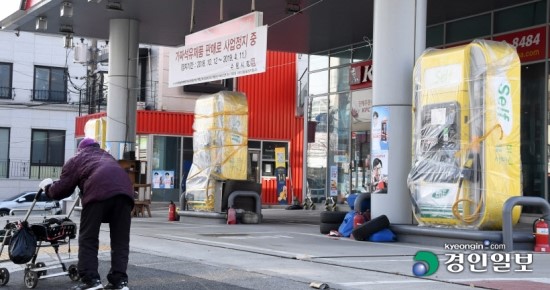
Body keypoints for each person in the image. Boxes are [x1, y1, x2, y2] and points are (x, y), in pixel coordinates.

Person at [39, 137, 134, 290]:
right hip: (125, 194)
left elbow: (61, 189)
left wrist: (48, 187)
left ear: (80, 148)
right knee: (120, 241)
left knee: (88, 238)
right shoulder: (108, 156)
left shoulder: (77, 158)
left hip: (98, 191)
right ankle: (120, 282)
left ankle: (91, 281)